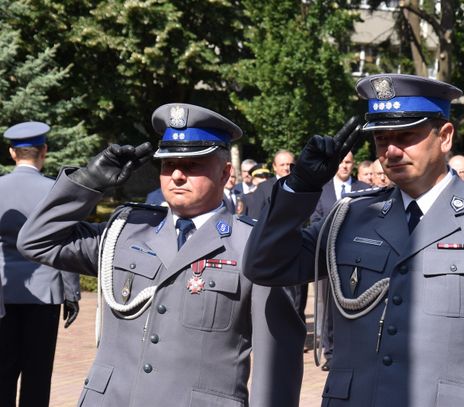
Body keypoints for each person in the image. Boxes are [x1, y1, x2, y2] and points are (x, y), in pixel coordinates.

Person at [243, 73, 464, 406]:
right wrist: (300, 188)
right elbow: (265, 265)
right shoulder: (351, 216)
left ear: (444, 137)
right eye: (381, 139)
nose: (392, 151)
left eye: (406, 136)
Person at [17, 104, 304, 407]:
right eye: (168, 165)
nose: (177, 175)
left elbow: (277, 361)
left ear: (225, 172)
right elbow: (37, 241)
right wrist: (90, 181)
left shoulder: (253, 247)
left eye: (192, 164)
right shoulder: (127, 229)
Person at [0, 121, 80, 407]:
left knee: (2, 371)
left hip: (4, 290)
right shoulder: (55, 191)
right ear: (44, 151)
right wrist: (72, 292)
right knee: (38, 373)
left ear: (12, 153)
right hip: (45, 291)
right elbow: (67, 243)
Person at [310, 151, 369, 371]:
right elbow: (315, 220)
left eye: (348, 162)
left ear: (353, 165)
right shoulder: (323, 190)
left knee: (356, 303)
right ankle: (330, 351)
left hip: (356, 258)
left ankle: (354, 349)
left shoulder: (364, 189)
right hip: (328, 257)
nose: (344, 166)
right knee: (328, 306)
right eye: (341, 162)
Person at [245, 149, 294, 219]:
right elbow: (255, 217)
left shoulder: (301, 186)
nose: (286, 168)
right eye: (282, 165)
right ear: (274, 166)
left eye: (288, 164)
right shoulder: (263, 187)